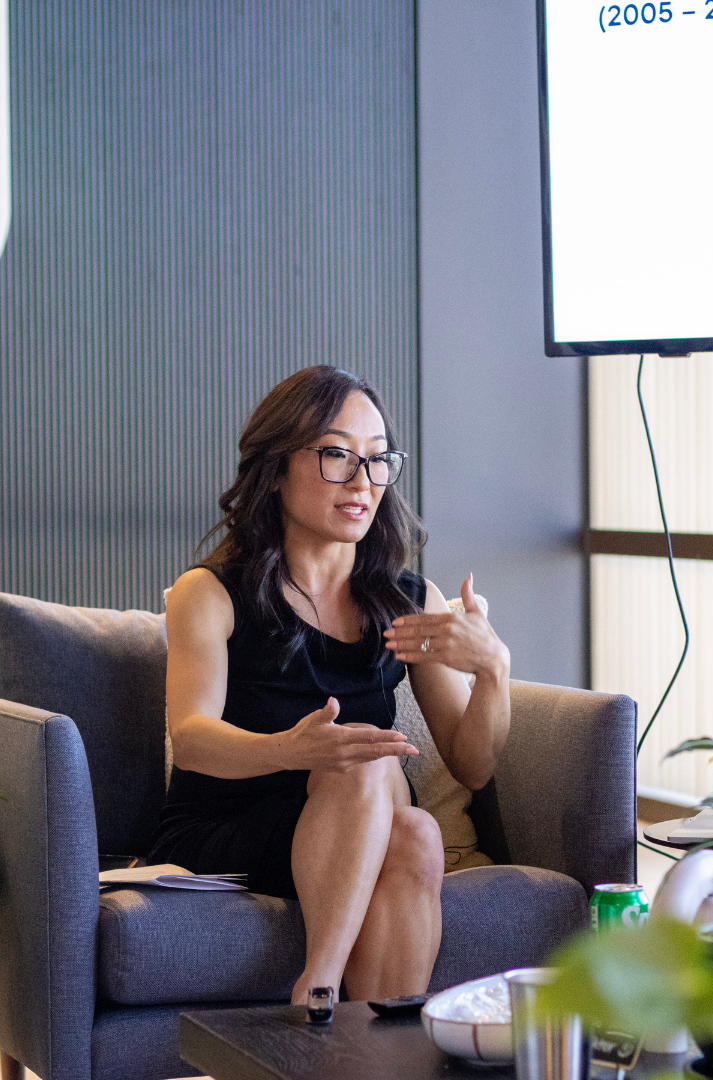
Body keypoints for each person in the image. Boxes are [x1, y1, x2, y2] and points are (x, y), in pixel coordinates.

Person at [150, 366, 510, 1005]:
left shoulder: (406, 600)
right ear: (277, 466)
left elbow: (473, 765)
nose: (362, 483)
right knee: (365, 768)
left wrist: (493, 671)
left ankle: (352, 1038)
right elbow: (192, 738)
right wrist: (292, 750)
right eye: (337, 456)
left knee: (416, 830)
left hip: (362, 820)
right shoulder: (211, 593)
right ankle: (318, 988)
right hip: (232, 824)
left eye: (377, 462)